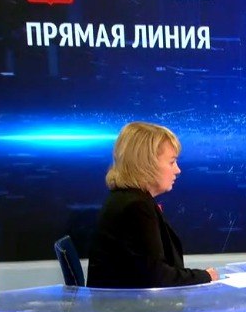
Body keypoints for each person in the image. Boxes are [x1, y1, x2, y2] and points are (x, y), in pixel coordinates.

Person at [86, 121, 218, 288]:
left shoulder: (127, 199)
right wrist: (206, 276)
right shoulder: (135, 207)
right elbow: (157, 278)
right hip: (130, 304)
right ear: (147, 164)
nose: (178, 170)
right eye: (172, 162)